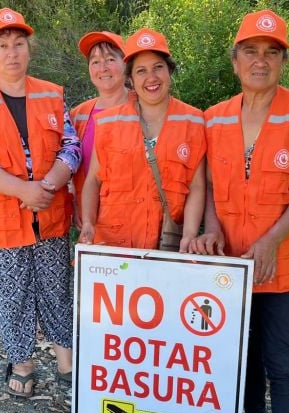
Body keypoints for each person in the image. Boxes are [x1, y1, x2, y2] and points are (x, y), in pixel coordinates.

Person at [193, 10, 289, 413]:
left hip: (283, 262)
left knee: (282, 361)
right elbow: (210, 186)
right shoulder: (213, 119)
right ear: (235, 61)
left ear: (284, 62)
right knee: (241, 352)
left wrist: (271, 239)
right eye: (250, 51)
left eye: (272, 53)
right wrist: (211, 227)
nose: (260, 61)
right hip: (232, 262)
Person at [0, 7, 80, 398]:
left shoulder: (52, 94)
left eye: (19, 44)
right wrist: (23, 190)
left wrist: (50, 183)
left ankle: (66, 359)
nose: (12, 53)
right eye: (3, 45)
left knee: (57, 289)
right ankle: (22, 361)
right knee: (13, 294)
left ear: (29, 48)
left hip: (51, 214)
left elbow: (71, 145)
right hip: (3, 219)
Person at [78, 28, 206, 252]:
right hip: (113, 247)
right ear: (131, 78)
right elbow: (92, 181)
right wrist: (88, 222)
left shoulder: (193, 120)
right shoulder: (108, 123)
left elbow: (197, 186)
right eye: (141, 71)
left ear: (169, 71)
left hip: (167, 247)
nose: (151, 78)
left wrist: (189, 235)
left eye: (158, 67)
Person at [70, 31, 130, 226]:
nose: (102, 68)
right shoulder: (78, 115)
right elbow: (70, 167)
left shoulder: (144, 107)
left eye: (110, 59)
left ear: (125, 64)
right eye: (95, 62)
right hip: (92, 223)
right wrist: (75, 203)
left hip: (135, 223)